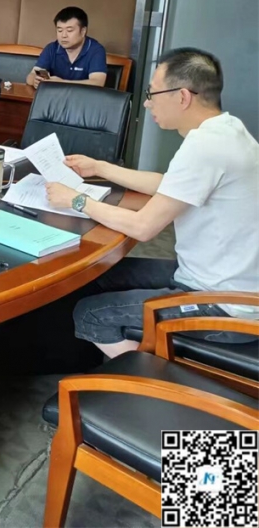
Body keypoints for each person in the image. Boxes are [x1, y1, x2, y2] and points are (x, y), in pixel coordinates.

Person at [45, 48, 259, 358]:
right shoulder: (228, 130)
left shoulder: (206, 146)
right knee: (96, 276)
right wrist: (100, 168)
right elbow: (169, 185)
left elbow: (142, 227)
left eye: (152, 93)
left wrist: (76, 200)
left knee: (90, 314)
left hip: (224, 306)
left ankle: (152, 380)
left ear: (182, 96)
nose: (147, 103)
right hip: (212, 279)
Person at [26, 6, 107, 88]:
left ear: (83, 31)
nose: (63, 35)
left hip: (82, 96)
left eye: (69, 30)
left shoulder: (96, 50)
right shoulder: (52, 48)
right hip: (55, 96)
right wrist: (35, 81)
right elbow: (31, 76)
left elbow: (98, 82)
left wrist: (62, 83)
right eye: (60, 30)